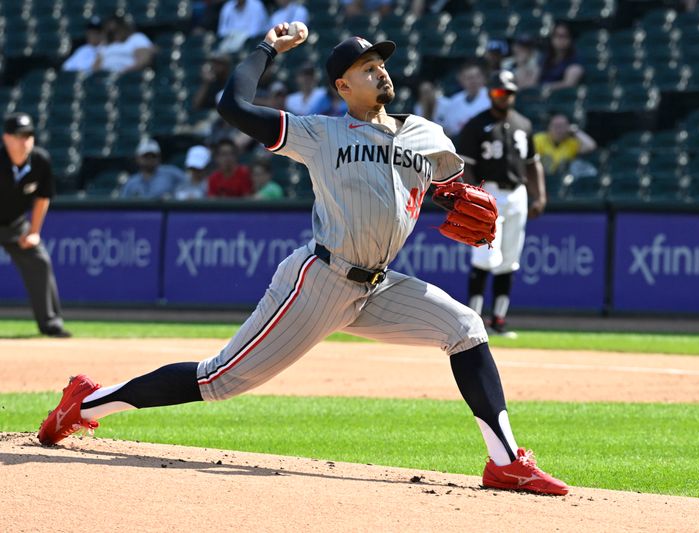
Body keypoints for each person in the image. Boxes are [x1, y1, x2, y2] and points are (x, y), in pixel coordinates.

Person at [37, 24, 569, 496]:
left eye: (381, 64)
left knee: (466, 326)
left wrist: (464, 199)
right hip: (320, 281)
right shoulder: (320, 133)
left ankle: (505, 462)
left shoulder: (427, 135)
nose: (381, 72)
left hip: (377, 287)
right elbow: (233, 107)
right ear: (342, 86)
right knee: (219, 379)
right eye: (367, 67)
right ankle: (85, 404)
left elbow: (454, 188)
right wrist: (268, 48)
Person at [458, 71, 545, 338]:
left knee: (509, 260)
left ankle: (499, 320)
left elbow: (533, 163)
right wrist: (475, 196)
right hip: (489, 192)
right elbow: (467, 166)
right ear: (489, 94)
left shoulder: (523, 124)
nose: (503, 97)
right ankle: (473, 321)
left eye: (507, 92)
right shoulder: (476, 124)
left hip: (517, 193)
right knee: (484, 257)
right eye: (498, 92)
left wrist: (539, 194)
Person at [0, 113, 71, 338]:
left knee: (39, 261)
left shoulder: (40, 161)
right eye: (19, 135)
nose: (25, 140)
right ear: (6, 138)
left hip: (15, 224)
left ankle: (51, 323)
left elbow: (42, 197)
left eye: (29, 135)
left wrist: (34, 232)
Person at [119, 138, 188, 199]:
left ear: (159, 157)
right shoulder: (131, 183)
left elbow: (190, 186)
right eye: (146, 156)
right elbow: (122, 207)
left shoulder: (172, 174)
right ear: (138, 158)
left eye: (153, 156)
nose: (150, 159)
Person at [439, 60, 491, 139]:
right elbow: (447, 130)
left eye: (477, 77)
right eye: (469, 78)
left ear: (484, 78)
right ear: (461, 80)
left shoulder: (492, 97)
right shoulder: (454, 101)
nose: (473, 81)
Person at [532, 23, 583, 93]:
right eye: (557, 36)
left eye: (564, 36)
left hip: (562, 99)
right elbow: (533, 82)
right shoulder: (544, 59)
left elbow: (568, 84)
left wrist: (545, 87)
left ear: (570, 39)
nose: (560, 40)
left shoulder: (575, 60)